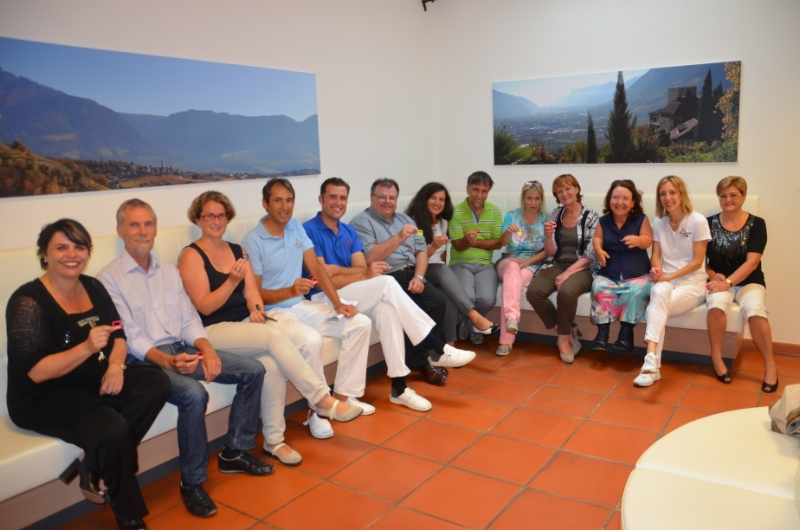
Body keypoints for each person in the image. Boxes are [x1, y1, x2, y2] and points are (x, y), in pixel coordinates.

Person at [98, 199, 273, 519]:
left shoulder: (168, 271)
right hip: (145, 362)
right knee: (194, 394)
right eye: (134, 225)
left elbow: (189, 319)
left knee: (254, 370)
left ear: (155, 229)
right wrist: (167, 362)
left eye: (148, 224)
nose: (142, 231)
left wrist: (207, 349)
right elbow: (130, 336)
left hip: (182, 349)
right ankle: (192, 483)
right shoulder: (109, 278)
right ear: (120, 231)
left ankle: (234, 451)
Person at [6, 219, 170, 530]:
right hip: (45, 396)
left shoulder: (94, 286)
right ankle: (129, 516)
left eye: (79, 247)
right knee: (113, 431)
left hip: (93, 381)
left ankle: (91, 464)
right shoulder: (27, 302)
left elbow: (118, 335)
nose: (72, 254)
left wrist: (116, 367)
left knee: (156, 380)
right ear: (44, 254)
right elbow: (37, 373)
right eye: (61, 247)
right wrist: (85, 348)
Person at [177, 191, 361, 466]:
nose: (216, 221)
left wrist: (256, 309)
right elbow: (205, 307)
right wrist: (231, 281)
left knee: (271, 366)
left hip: (243, 325)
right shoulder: (191, 255)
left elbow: (252, 292)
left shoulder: (237, 250)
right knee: (274, 336)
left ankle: (274, 441)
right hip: (211, 331)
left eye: (221, 215)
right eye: (209, 216)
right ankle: (321, 399)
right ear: (198, 219)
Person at [304, 178, 476, 411]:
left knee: (388, 312)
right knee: (386, 282)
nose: (338, 202)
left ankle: (399, 388)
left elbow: (360, 268)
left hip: (354, 289)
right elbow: (325, 277)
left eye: (342, 198)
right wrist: (356, 273)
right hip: (325, 296)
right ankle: (437, 346)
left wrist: (347, 272)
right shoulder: (310, 230)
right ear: (321, 199)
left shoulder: (347, 230)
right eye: (332, 197)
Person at [241, 178, 373, 437]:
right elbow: (255, 292)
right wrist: (290, 291)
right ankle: (316, 411)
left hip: (302, 305)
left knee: (359, 323)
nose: (285, 207)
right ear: (265, 204)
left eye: (289, 200)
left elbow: (317, 268)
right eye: (278, 200)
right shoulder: (253, 240)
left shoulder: (295, 228)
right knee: (311, 341)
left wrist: (338, 304)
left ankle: (342, 397)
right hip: (274, 312)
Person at [350, 178, 475, 386]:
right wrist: (398, 238)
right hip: (386, 276)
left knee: (437, 301)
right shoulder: (361, 222)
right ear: (372, 198)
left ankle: (427, 355)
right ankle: (427, 359)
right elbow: (369, 256)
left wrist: (419, 277)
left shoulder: (405, 219)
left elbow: (421, 251)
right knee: (413, 305)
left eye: (392, 198)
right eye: (382, 197)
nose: (388, 202)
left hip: (411, 272)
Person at [635, 176, 711, 387]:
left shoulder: (698, 221)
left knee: (657, 307)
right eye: (663, 194)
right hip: (666, 280)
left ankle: (651, 364)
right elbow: (656, 254)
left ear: (681, 194)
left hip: (692, 283)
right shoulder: (659, 222)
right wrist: (656, 269)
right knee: (659, 295)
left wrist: (667, 277)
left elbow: (697, 262)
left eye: (672, 192)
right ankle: (651, 362)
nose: (667, 198)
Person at [705, 176, 777, 392]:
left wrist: (728, 283)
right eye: (723, 195)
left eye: (733, 195)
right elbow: (699, 260)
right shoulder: (707, 223)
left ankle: (770, 365)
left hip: (749, 282)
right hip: (718, 281)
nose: (728, 200)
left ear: (744, 196)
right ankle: (716, 358)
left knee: (755, 311)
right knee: (716, 306)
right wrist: (711, 275)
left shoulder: (757, 224)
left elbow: (752, 262)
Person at [405, 182, 498, 345]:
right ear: (424, 199)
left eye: (441, 199)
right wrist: (433, 246)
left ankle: (450, 344)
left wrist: (445, 274)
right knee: (442, 270)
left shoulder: (443, 222)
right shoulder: (414, 225)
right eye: (433, 198)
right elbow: (414, 257)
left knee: (448, 295)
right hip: (417, 270)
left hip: (436, 270)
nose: (437, 203)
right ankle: (474, 316)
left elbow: (443, 256)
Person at [526, 174, 599, 364]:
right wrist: (548, 236)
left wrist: (567, 274)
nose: (564, 193)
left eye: (568, 188)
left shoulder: (591, 217)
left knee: (566, 292)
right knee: (534, 292)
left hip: (583, 268)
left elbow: (590, 254)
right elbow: (550, 252)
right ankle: (565, 330)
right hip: (557, 264)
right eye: (560, 191)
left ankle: (562, 340)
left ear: (577, 189)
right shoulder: (555, 214)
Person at [590, 180, 653, 352]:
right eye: (615, 197)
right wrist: (599, 250)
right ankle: (602, 333)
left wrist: (638, 240)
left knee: (636, 290)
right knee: (598, 287)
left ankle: (626, 333)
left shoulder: (641, 219)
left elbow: (648, 239)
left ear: (633, 202)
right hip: (609, 271)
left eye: (625, 198)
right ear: (609, 200)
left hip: (636, 272)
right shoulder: (603, 221)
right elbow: (597, 239)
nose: (620, 202)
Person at [448, 171, 504, 345]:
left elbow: (498, 243)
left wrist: (474, 242)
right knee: (468, 298)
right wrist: (466, 241)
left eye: (484, 191)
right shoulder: (455, 212)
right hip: (460, 263)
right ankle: (476, 327)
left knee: (488, 300)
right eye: (475, 189)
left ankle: (468, 323)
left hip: (486, 264)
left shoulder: (495, 211)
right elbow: (458, 245)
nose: (479, 195)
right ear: (468, 189)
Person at [495, 180, 549, 355]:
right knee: (512, 269)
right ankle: (512, 316)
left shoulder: (546, 220)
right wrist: (507, 232)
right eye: (529, 198)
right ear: (523, 199)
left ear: (541, 200)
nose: (533, 202)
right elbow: (503, 243)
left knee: (511, 284)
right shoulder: (512, 216)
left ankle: (507, 337)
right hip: (508, 260)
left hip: (531, 265)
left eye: (537, 198)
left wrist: (528, 262)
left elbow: (548, 251)